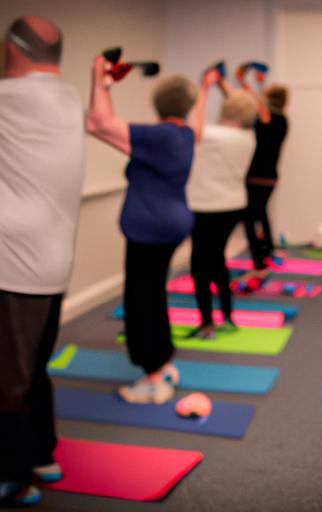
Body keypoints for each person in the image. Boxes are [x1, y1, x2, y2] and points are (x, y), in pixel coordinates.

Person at [0, 16, 84, 505]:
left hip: (14, 267)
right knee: (33, 367)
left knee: (7, 379)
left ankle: (14, 476)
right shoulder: (68, 97)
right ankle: (42, 455)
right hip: (53, 264)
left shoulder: (10, 97)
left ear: (13, 49)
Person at [87, 55, 197, 404]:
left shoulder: (162, 136)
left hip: (150, 233)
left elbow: (97, 123)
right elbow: (112, 135)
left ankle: (152, 379)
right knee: (152, 295)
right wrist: (105, 88)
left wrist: (98, 77)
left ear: (157, 102)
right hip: (169, 227)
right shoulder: (183, 135)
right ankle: (163, 363)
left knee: (141, 301)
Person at [186, 66, 258, 339]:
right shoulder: (248, 137)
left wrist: (204, 88)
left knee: (200, 264)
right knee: (217, 260)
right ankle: (227, 315)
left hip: (205, 207)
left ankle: (207, 322)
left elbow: (194, 127)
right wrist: (222, 86)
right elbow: (242, 108)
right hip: (232, 206)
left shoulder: (214, 134)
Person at [236, 63, 289, 278]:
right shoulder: (284, 120)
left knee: (249, 218)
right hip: (270, 176)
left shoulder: (271, 118)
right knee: (261, 214)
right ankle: (268, 251)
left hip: (257, 176)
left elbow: (258, 104)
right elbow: (260, 104)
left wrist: (244, 81)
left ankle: (259, 261)